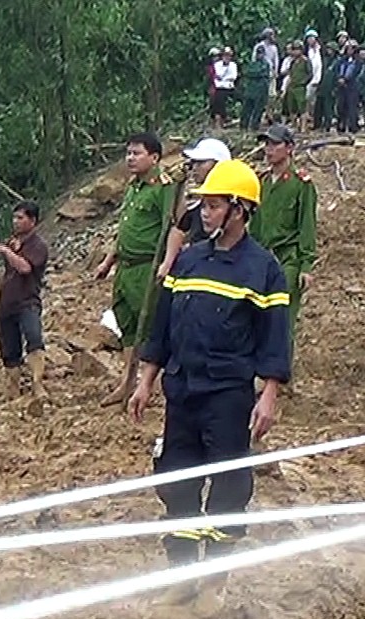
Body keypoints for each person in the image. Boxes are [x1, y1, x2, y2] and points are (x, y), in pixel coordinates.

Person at [129, 159, 289, 598]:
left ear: (239, 210)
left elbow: (275, 337)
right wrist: (146, 379)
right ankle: (182, 572)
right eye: (204, 205)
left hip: (228, 395)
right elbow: (162, 327)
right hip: (182, 391)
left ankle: (216, 573)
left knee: (228, 486)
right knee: (176, 479)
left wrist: (269, 395)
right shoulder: (189, 261)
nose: (205, 213)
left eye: (215, 206)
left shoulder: (263, 269)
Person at [95, 133, 177, 408]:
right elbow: (125, 229)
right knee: (127, 325)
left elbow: (175, 227)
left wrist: (167, 263)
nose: (130, 158)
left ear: (154, 157)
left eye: (136, 153)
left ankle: (150, 384)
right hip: (125, 267)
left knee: (152, 325)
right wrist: (109, 260)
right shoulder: (134, 187)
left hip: (147, 268)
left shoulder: (163, 188)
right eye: (128, 153)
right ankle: (127, 382)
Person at [252, 124, 318, 351]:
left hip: (287, 259)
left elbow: (307, 226)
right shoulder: (260, 182)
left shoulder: (300, 184)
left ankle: (279, 375)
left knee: (282, 320)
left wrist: (306, 265)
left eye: (275, 144)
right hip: (261, 258)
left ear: (289, 148)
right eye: (267, 144)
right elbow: (255, 223)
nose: (269, 150)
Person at [0, 200, 50, 404]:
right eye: (14, 217)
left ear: (32, 220)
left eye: (20, 218)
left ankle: (37, 383)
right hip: (7, 302)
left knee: (33, 338)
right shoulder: (13, 242)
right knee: (9, 347)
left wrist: (8, 253)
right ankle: (12, 389)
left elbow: (25, 268)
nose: (15, 222)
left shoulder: (38, 245)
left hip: (27, 300)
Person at [158, 138, 231, 283]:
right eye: (194, 163)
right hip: (198, 259)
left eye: (201, 163)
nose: (195, 168)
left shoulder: (232, 199)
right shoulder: (196, 197)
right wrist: (168, 262)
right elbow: (179, 227)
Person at [241, 45, 272, 130]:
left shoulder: (265, 64)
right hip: (251, 89)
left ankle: (254, 126)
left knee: (258, 109)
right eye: (258, 53)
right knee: (247, 108)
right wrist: (253, 74)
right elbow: (248, 72)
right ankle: (244, 125)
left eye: (261, 53)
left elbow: (260, 73)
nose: (259, 55)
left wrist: (254, 74)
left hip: (261, 89)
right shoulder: (252, 63)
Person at [334, 43, 362, 134]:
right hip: (341, 87)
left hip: (352, 87)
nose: (350, 51)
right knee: (341, 107)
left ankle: (352, 127)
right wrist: (340, 78)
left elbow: (356, 73)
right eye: (348, 49)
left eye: (352, 49)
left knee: (352, 107)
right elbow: (337, 70)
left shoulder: (358, 62)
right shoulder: (341, 61)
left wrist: (346, 79)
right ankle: (341, 126)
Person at [210, 47, 237, 128]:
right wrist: (224, 77)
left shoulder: (233, 65)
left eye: (229, 56)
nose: (227, 57)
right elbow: (218, 75)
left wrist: (224, 78)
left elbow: (233, 76)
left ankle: (229, 117)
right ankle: (218, 123)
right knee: (217, 103)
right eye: (225, 55)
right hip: (219, 87)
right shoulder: (217, 65)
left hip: (229, 87)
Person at [304, 32, 325, 134]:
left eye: (312, 38)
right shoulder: (306, 51)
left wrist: (318, 79)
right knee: (307, 100)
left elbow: (320, 65)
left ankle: (315, 121)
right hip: (308, 79)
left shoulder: (321, 50)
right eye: (308, 38)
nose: (310, 40)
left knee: (315, 101)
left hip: (318, 78)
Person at [254, 28, 281, 104]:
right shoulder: (259, 46)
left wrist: (275, 71)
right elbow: (254, 59)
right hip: (260, 73)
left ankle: (269, 111)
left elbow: (276, 60)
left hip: (270, 72)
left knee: (271, 94)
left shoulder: (274, 48)